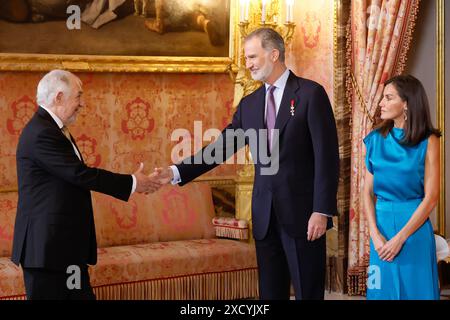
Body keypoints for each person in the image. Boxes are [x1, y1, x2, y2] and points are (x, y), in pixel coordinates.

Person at [154, 28, 340, 300]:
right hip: (265, 216)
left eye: (252, 56)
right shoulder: (250, 104)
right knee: (269, 293)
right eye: (246, 58)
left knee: (308, 292)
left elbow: (327, 157)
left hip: (304, 215)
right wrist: (176, 171)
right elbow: (220, 148)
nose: (248, 64)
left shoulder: (311, 94)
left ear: (274, 54)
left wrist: (321, 210)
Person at [11, 70, 161, 300]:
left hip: (64, 248)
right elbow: (80, 174)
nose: (82, 103)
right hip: (47, 250)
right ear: (59, 97)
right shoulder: (42, 133)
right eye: (78, 96)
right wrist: (132, 182)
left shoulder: (52, 129)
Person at [363, 75, 441, 300]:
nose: (381, 103)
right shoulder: (375, 139)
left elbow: (432, 197)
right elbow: (366, 192)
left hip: (414, 229)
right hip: (381, 229)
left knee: (416, 293)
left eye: (389, 98)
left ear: (406, 103)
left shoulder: (429, 141)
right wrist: (374, 234)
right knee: (380, 293)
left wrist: (400, 239)